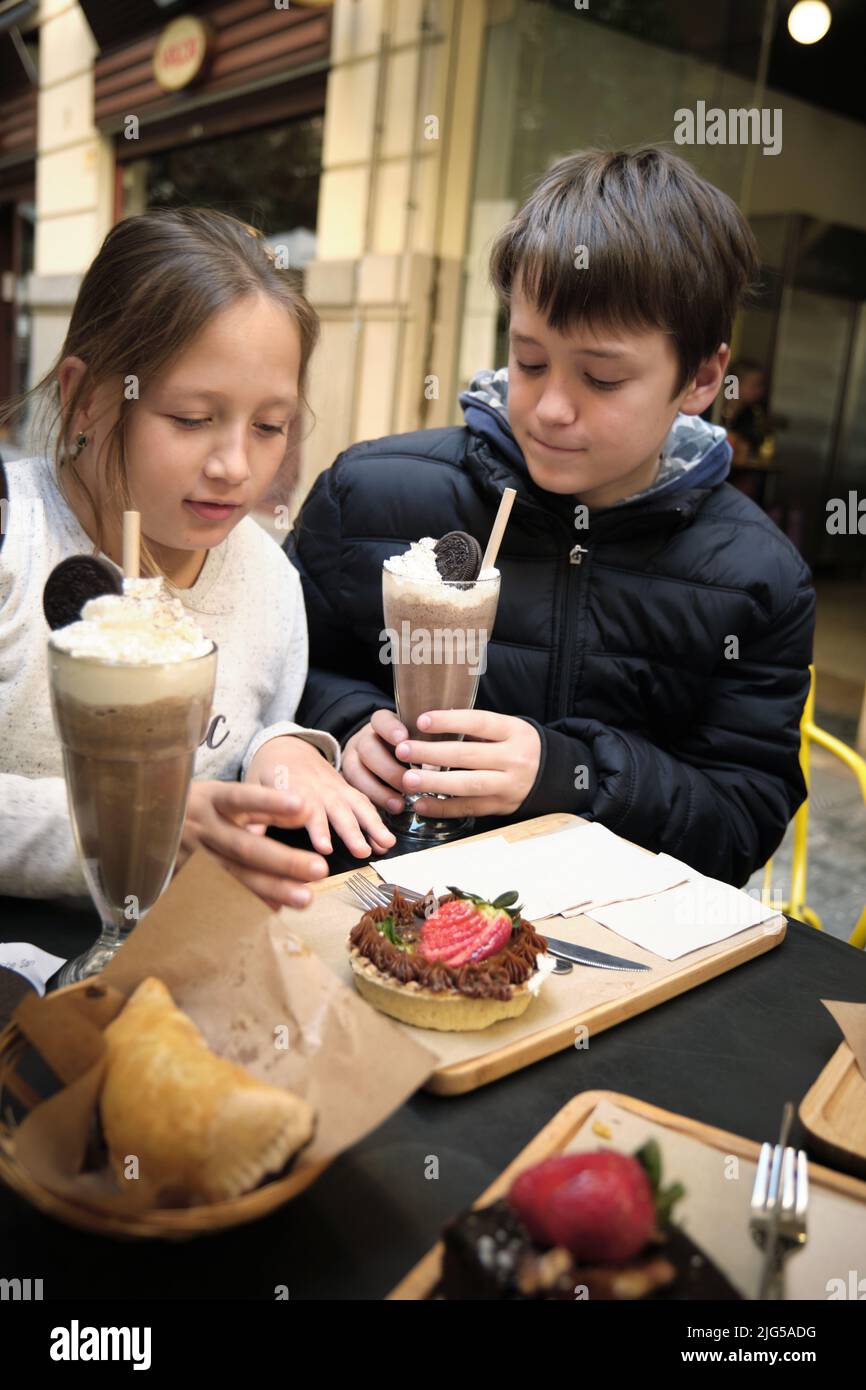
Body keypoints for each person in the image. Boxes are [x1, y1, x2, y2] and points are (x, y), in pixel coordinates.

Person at [287, 147, 816, 887]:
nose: (550, 408)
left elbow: (739, 821)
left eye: (601, 377)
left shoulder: (757, 576)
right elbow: (276, 671)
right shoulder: (372, 493)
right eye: (529, 361)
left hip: (605, 948)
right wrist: (341, 728)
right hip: (366, 903)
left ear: (700, 378)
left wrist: (570, 773)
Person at [0, 207, 394, 905]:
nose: (236, 466)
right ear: (85, 399)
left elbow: (244, 734)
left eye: (270, 426)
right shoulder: (16, 540)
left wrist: (283, 750)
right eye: (190, 419)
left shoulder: (269, 582)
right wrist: (130, 829)